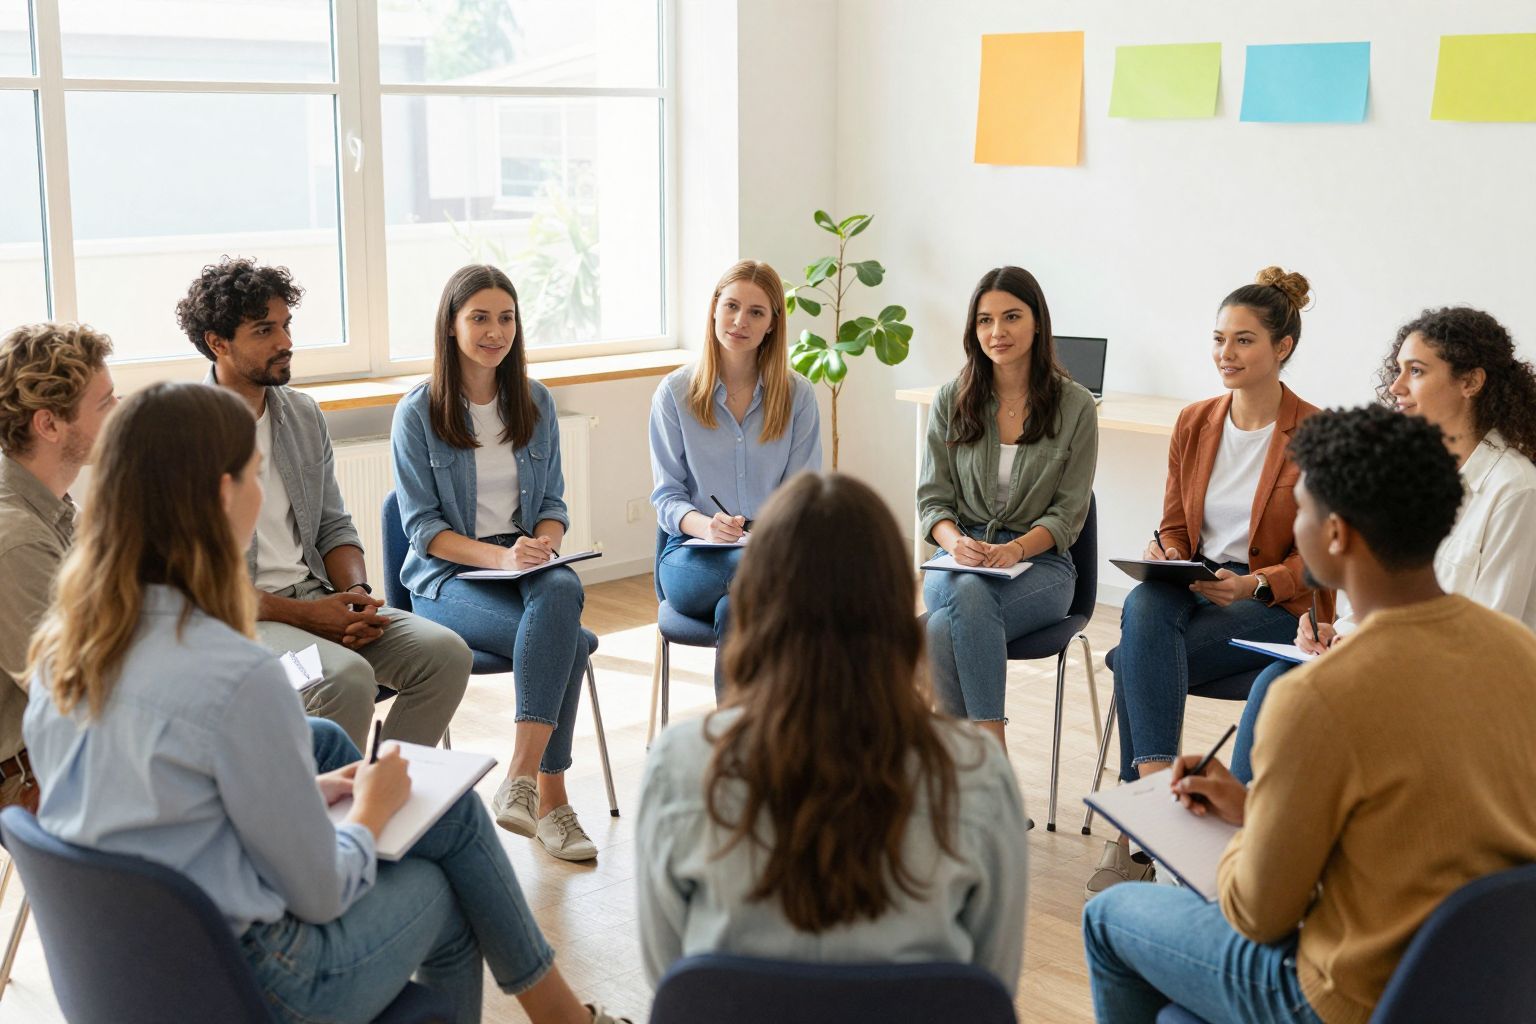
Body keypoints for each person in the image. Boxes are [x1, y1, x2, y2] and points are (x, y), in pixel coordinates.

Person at [22, 382, 628, 1024]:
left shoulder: (63, 652)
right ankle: (566, 1018)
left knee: (379, 778)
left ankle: (565, 1018)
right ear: (225, 495)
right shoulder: (237, 678)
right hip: (257, 986)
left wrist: (308, 794)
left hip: (128, 981)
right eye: (255, 475)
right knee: (446, 892)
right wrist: (369, 814)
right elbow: (318, 892)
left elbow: (166, 808)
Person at [1081, 404, 1536, 1024]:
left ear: (1337, 533)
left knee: (1109, 918)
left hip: (1346, 993)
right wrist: (1257, 810)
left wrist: (1234, 838)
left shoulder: (1318, 695)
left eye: (1304, 509)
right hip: (1480, 985)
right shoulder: (1519, 652)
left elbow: (1257, 913)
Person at [636, 472, 1030, 992]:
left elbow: (672, 982)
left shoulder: (679, 765)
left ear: (755, 605)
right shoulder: (975, 772)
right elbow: (989, 987)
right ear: (894, 610)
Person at [1087, 267, 1331, 897]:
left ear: (1283, 348)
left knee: (1135, 658)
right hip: (1191, 591)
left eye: (1244, 340)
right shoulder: (1196, 422)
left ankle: (1135, 833)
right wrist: (1166, 552)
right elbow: (1173, 525)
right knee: (1144, 598)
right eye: (1219, 339)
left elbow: (1324, 557)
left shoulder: (1316, 432)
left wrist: (1256, 584)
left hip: (1273, 607)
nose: (1226, 353)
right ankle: (1161, 811)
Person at [1230, 305, 1536, 783]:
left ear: (1470, 382)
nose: (1396, 387)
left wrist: (1364, 653)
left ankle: (1253, 836)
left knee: (1298, 699)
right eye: (1398, 371)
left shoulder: (1516, 489)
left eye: (1416, 371)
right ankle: (1242, 832)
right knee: (1278, 682)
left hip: (1465, 692)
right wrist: (1339, 632)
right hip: (1398, 661)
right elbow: (1382, 593)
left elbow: (1491, 637)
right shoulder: (1412, 470)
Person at [178, 257, 471, 749]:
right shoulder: (182, 432)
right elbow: (196, 587)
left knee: (445, 654)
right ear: (217, 342)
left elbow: (333, 526)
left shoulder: (302, 414)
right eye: (264, 330)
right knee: (345, 679)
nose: (286, 342)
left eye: (287, 325)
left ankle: (385, 798)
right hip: (241, 625)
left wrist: (354, 597)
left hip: (318, 599)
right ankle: (335, 818)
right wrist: (312, 618)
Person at [391, 264, 598, 862]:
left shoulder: (534, 401)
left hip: (522, 562)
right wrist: (503, 558)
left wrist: (542, 544)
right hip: (449, 576)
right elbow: (425, 531)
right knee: (572, 644)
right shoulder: (418, 412)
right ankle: (552, 800)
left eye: (505, 318)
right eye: (478, 317)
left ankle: (520, 780)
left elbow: (553, 504)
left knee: (559, 591)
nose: (494, 331)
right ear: (451, 326)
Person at [917, 266, 1098, 750]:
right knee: (968, 596)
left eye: (1012, 317)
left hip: (1042, 568)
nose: (997, 332)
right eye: (984, 320)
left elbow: (1068, 513)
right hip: (956, 561)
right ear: (973, 331)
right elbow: (932, 501)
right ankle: (989, 774)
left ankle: (969, 775)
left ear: (1038, 322)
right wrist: (956, 545)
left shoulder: (1076, 406)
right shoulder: (950, 400)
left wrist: (1015, 550)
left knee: (941, 626)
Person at [648, 259, 822, 699]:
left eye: (756, 312)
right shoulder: (675, 393)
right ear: (713, 310)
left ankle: (737, 746)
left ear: (772, 324)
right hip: (691, 557)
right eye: (731, 306)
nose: (740, 321)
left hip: (769, 552)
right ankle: (786, 736)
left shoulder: (798, 396)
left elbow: (803, 495)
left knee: (737, 611)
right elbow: (667, 496)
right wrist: (706, 526)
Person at [0, 323, 117, 812]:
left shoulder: (54, 505)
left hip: (69, 738)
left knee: (307, 741)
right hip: (34, 772)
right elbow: (72, 691)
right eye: (105, 403)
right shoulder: (18, 540)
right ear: (49, 425)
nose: (118, 413)